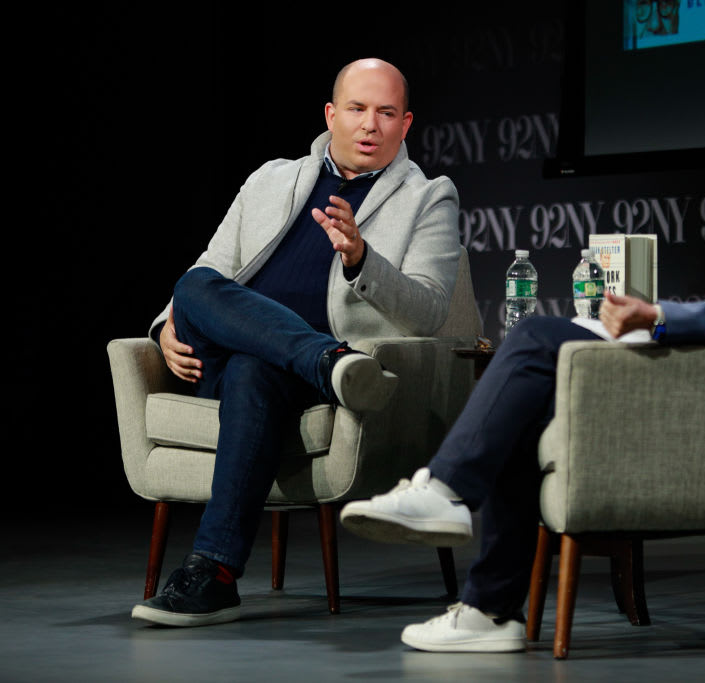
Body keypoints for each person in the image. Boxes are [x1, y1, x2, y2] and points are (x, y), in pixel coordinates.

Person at [339, 43, 705, 653]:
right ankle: (490, 611)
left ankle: (443, 492)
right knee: (526, 404)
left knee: (539, 336)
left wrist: (661, 317)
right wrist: (652, 319)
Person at [131, 58, 462, 628]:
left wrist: (361, 258)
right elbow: (208, 272)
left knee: (252, 371)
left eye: (386, 113)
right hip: (305, 362)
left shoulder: (428, 196)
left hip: (297, 381)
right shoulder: (271, 178)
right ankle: (328, 360)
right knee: (192, 285)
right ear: (331, 115)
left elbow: (430, 311)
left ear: (405, 125)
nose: (370, 125)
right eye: (357, 109)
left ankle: (214, 574)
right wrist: (165, 329)